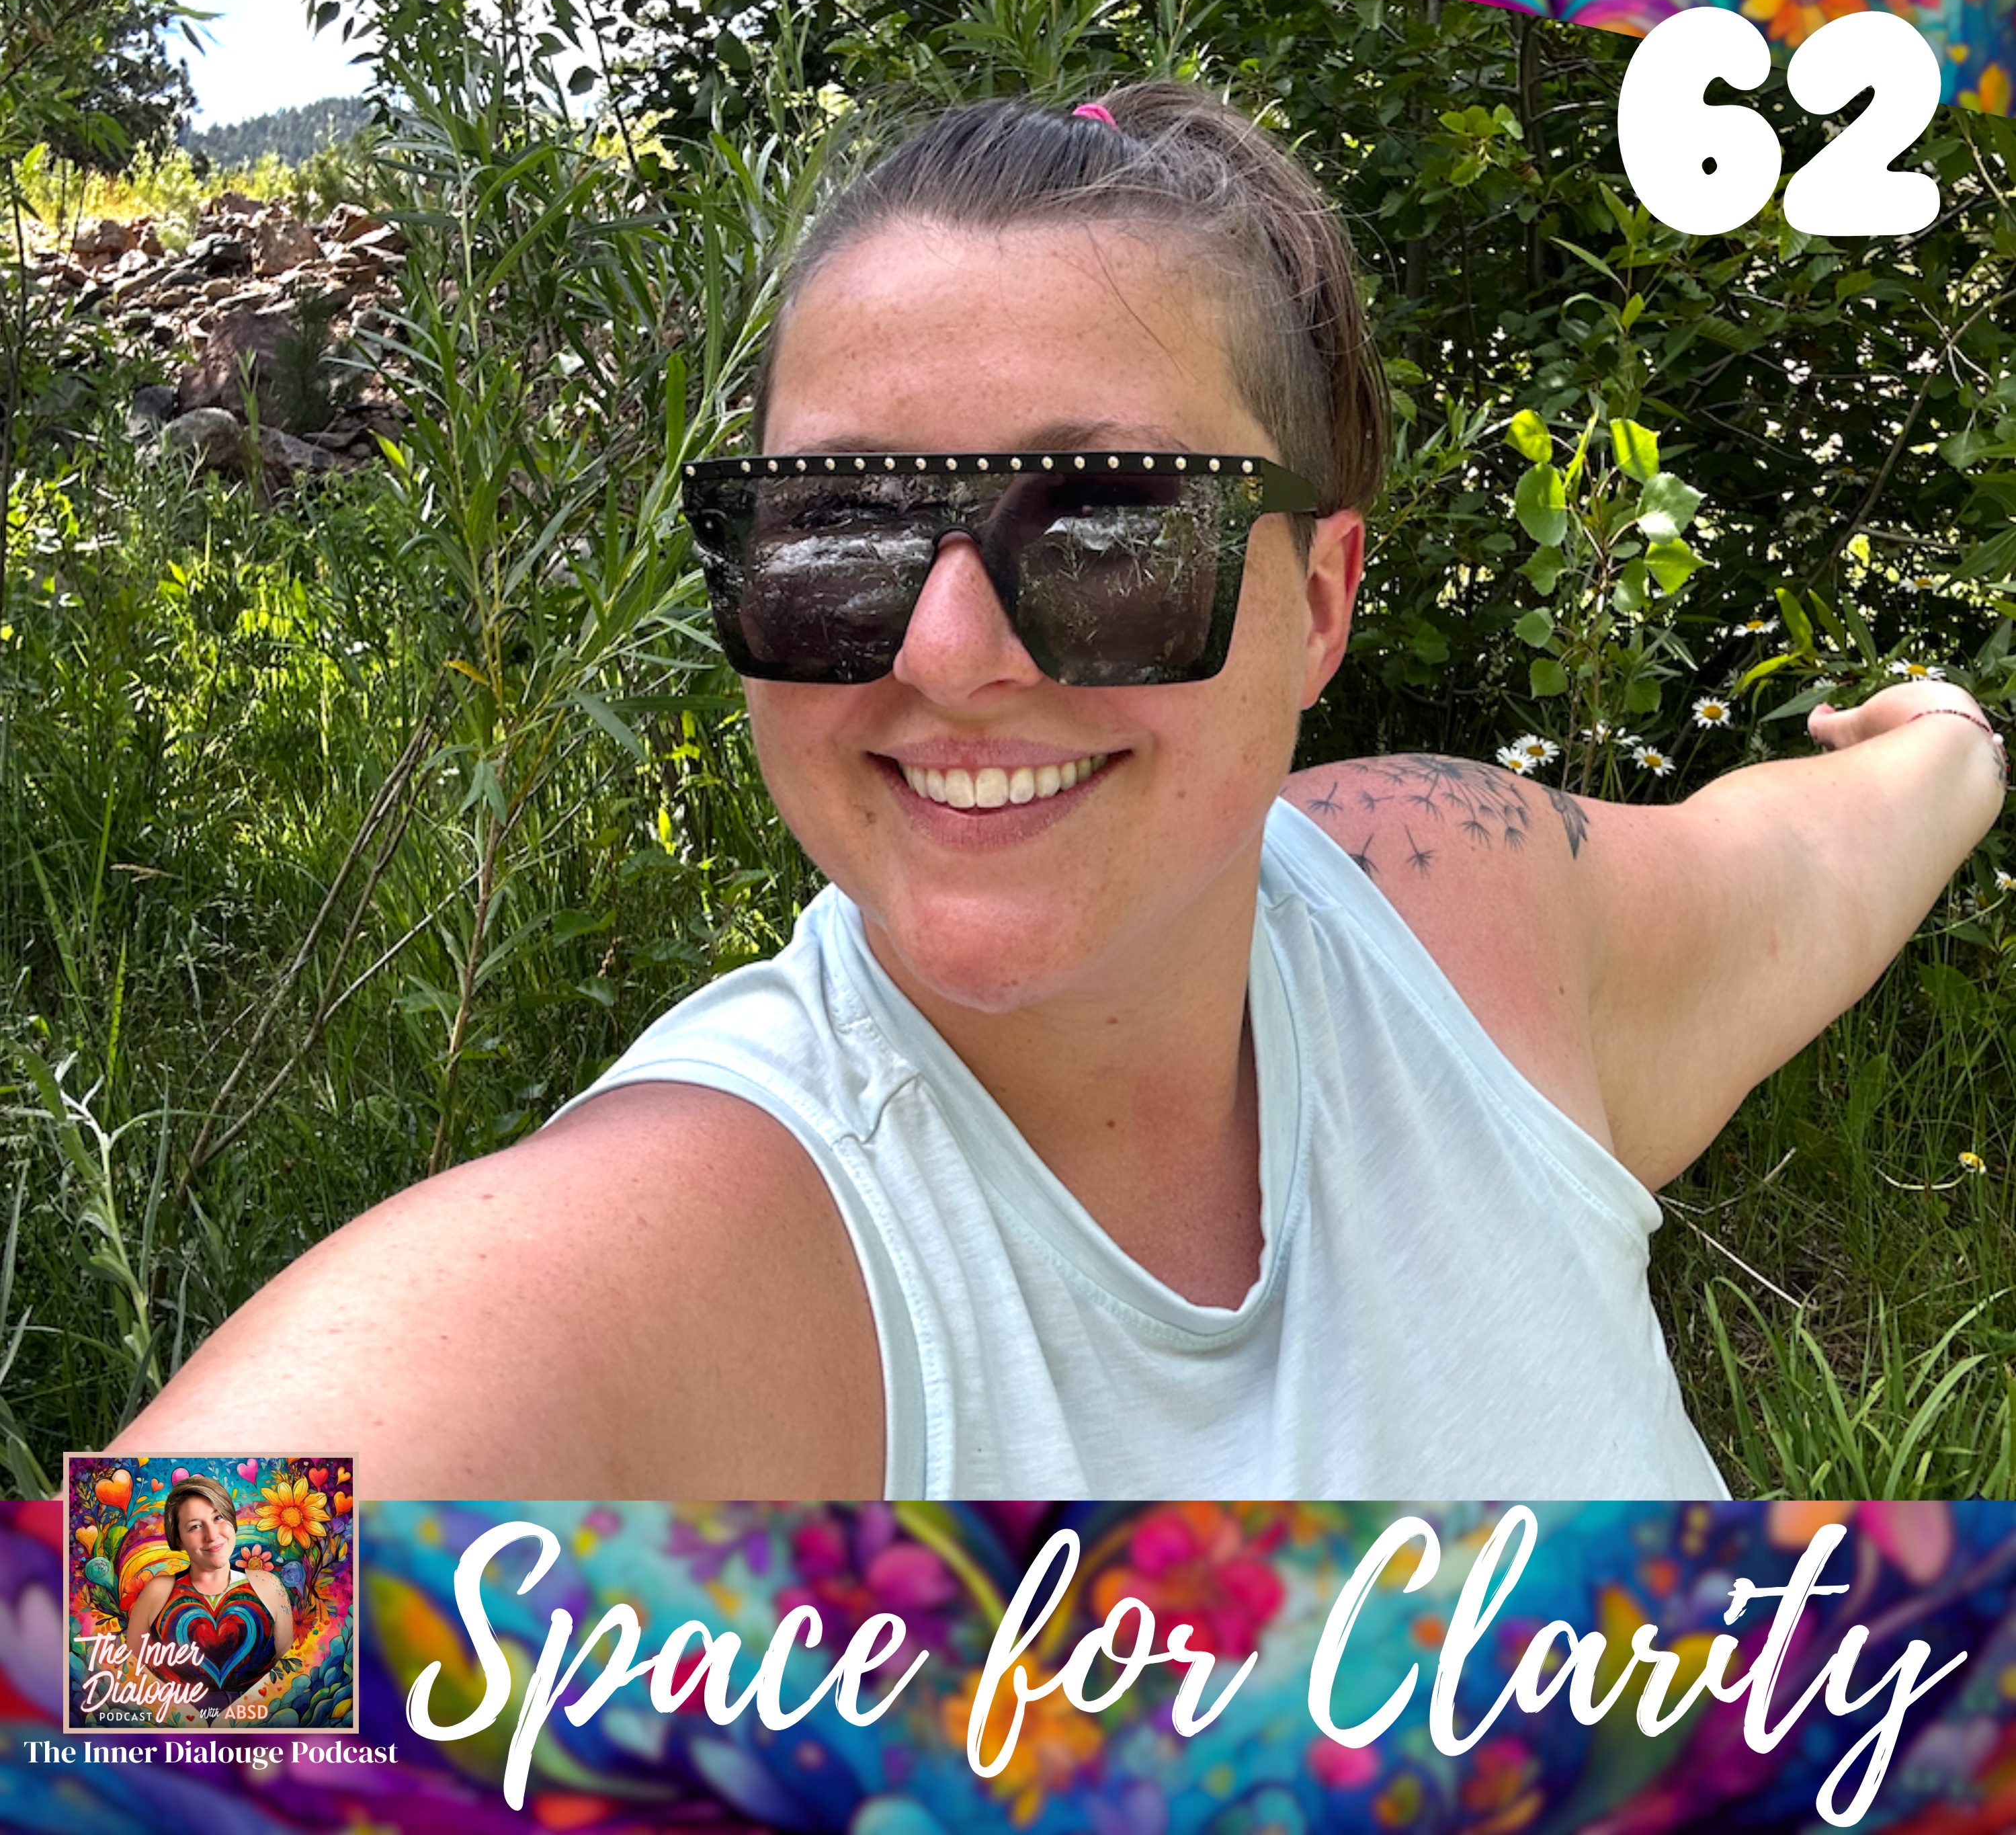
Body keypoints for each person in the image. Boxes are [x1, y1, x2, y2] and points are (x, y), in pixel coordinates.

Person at [115, 85, 2005, 1498]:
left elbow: (1815, 857)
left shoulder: (1462, 924)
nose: (946, 652)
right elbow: (113, 1699)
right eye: (836, 528)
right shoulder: (675, 1253)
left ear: (1320, 598)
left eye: (1107, 526)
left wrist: (1942, 736)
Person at [124, 1476, 293, 1715]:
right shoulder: (158, 1591)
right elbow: (132, 1671)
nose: (212, 1535)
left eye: (218, 1517)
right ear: (178, 1538)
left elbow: (287, 1672)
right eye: (195, 1526)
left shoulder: (269, 1586)